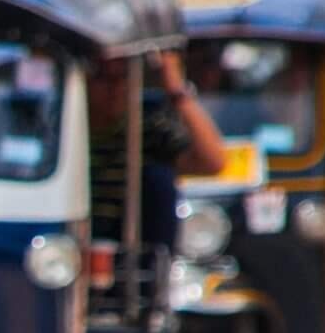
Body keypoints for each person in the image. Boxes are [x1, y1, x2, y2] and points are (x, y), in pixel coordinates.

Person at [86, 48, 229, 252]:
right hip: (67, 251)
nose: (115, 88)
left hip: (128, 254)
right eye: (104, 78)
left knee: (158, 178)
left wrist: (177, 90)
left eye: (122, 77)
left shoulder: (147, 128)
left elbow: (212, 162)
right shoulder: (60, 130)